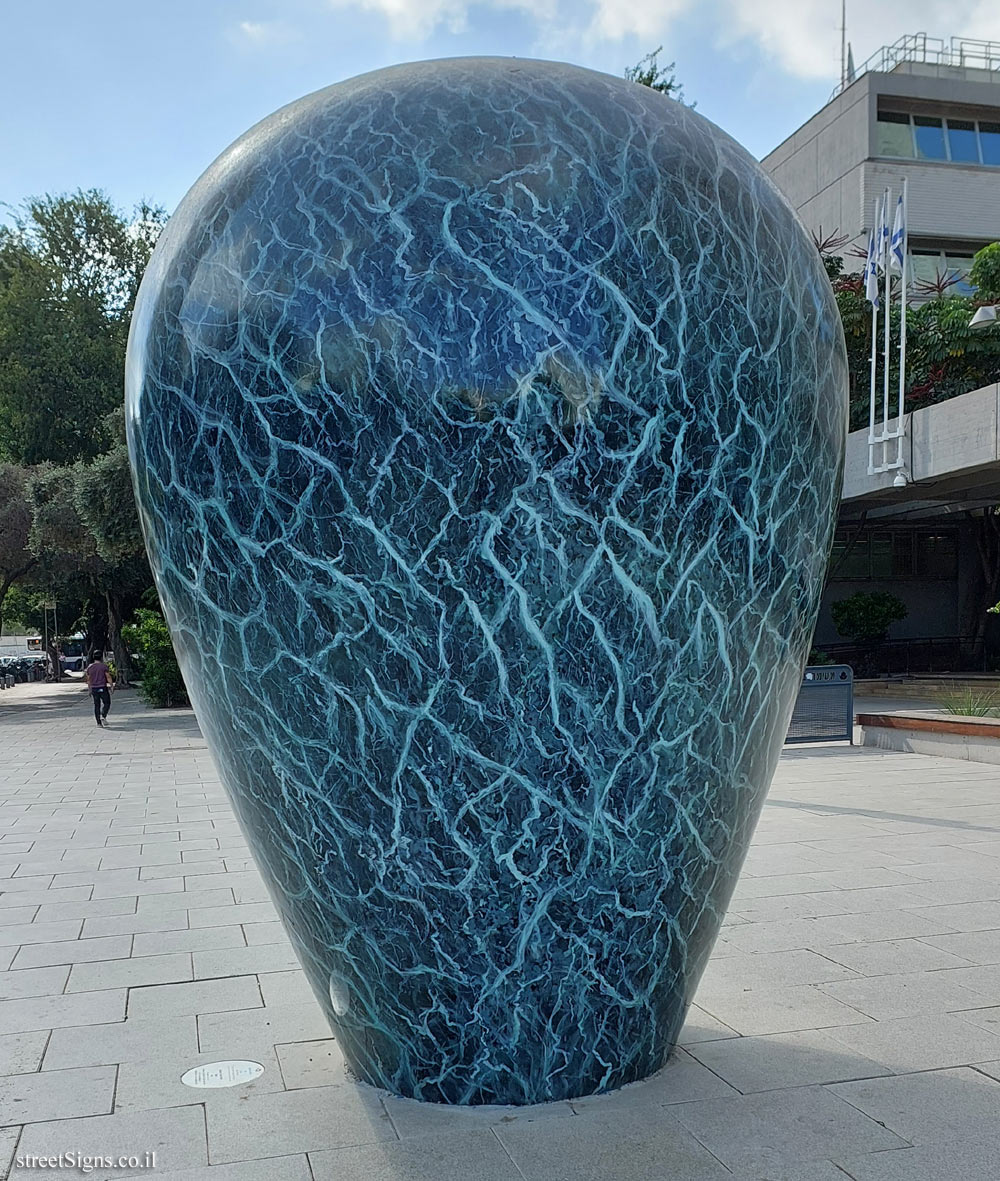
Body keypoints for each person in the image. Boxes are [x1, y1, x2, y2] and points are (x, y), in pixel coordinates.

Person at [85, 652, 112, 727]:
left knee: (97, 705)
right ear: (101, 657)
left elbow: (89, 679)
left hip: (94, 688)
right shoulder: (103, 666)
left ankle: (99, 723)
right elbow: (108, 677)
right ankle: (103, 715)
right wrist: (111, 686)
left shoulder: (90, 667)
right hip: (102, 687)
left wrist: (89, 689)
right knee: (107, 702)